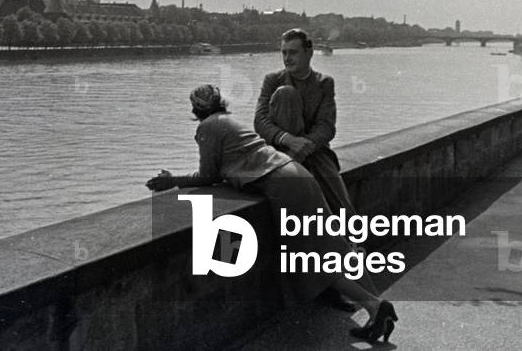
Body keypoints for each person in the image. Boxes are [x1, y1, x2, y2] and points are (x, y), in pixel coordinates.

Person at [146, 84, 399, 344]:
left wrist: (172, 180)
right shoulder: (229, 120)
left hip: (282, 184)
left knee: (311, 260)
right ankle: (374, 309)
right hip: (296, 174)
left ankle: (375, 307)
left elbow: (207, 175)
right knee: (327, 250)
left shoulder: (207, 127)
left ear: (195, 109)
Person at [254, 28, 354, 214]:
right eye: (284, 52)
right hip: (281, 151)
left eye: (293, 52)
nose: (287, 58)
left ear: (309, 53)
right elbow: (260, 120)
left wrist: (304, 146)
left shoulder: (324, 83)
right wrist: (287, 140)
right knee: (286, 93)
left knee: (341, 205)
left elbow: (326, 127)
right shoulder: (273, 80)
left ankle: (351, 240)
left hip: (314, 152)